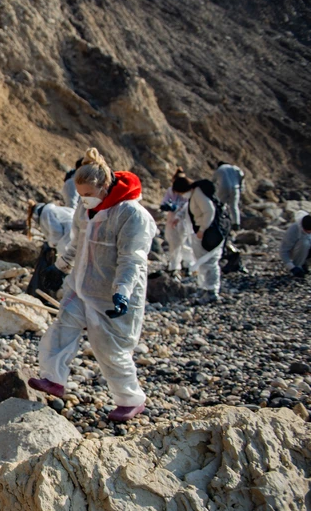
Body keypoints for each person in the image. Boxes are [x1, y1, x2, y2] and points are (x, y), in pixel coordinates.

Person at [30, 148, 156, 423]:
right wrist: (60, 267)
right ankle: (53, 378)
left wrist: (122, 291)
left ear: (105, 186)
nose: (83, 200)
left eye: (88, 194)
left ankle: (130, 400)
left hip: (111, 293)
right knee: (63, 326)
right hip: (81, 285)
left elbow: (131, 259)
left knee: (109, 349)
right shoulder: (87, 207)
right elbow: (77, 241)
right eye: (81, 194)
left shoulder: (131, 215)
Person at [170, 175, 227, 303]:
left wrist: (202, 229)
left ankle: (212, 291)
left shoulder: (198, 193)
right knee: (202, 262)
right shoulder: (195, 194)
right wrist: (179, 217)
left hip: (210, 234)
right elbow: (188, 209)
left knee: (210, 262)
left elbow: (209, 211)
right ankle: (204, 288)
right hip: (202, 233)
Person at [159, 167, 195, 274]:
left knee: (185, 242)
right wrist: (167, 206)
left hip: (184, 219)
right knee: (173, 243)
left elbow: (187, 206)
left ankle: (188, 265)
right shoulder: (171, 190)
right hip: (172, 217)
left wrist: (178, 208)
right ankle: (174, 265)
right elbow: (164, 202)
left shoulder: (188, 192)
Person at [213, 161, 245, 230]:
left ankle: (219, 221)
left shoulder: (220, 169)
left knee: (220, 205)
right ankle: (236, 224)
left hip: (223, 187)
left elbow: (213, 181)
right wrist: (241, 186)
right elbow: (242, 175)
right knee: (234, 205)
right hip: (235, 187)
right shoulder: (235, 168)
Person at [280, 213, 311, 277]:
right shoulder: (294, 229)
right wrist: (292, 267)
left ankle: (306, 264)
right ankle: (298, 266)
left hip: (308, 252)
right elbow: (284, 251)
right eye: (308, 231)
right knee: (304, 242)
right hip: (297, 250)